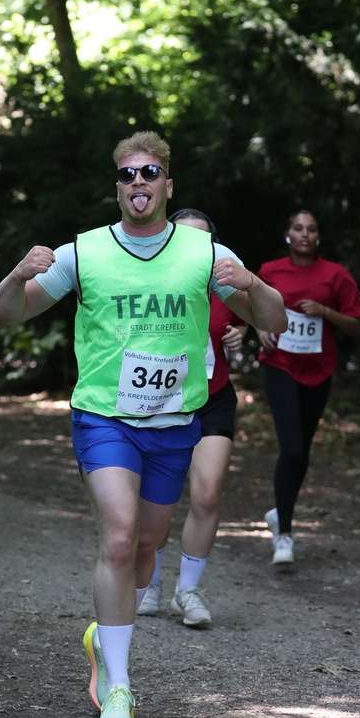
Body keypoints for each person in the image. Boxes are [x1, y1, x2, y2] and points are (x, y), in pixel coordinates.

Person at [0, 133, 287, 718]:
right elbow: (9, 312)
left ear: (168, 185)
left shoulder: (204, 253)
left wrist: (254, 284)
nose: (138, 183)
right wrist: (16, 275)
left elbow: (274, 321)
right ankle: (119, 689)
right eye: (127, 174)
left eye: (149, 173)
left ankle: (104, 636)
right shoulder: (85, 252)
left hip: (175, 424)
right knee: (121, 536)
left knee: (147, 549)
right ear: (118, 187)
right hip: (104, 419)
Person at [138, 208, 247, 629]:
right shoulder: (148, 279)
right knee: (157, 498)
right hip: (161, 400)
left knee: (207, 494)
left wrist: (240, 332)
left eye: (202, 239)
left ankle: (188, 590)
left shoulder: (224, 283)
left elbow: (248, 317)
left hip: (212, 398)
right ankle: (149, 582)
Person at [258, 209, 360, 567]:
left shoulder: (336, 274)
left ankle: (280, 511)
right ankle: (285, 535)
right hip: (279, 364)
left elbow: (356, 325)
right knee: (291, 447)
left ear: (318, 236)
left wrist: (325, 311)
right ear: (288, 234)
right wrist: (260, 329)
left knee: (302, 450)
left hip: (318, 369)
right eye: (298, 228)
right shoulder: (270, 271)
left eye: (311, 229)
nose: (304, 234)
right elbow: (250, 307)